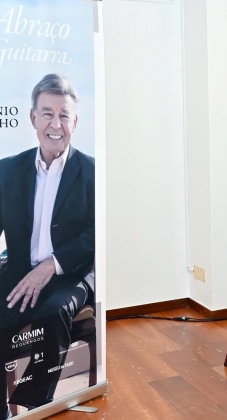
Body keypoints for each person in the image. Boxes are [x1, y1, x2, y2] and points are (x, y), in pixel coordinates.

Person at [0, 74, 95, 417]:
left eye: (64, 115)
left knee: (52, 314)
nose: (56, 124)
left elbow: (93, 235)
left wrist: (50, 265)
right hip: (18, 269)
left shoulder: (91, 172)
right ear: (32, 118)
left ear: (75, 121)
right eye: (47, 114)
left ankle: (32, 404)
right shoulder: (7, 170)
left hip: (73, 273)